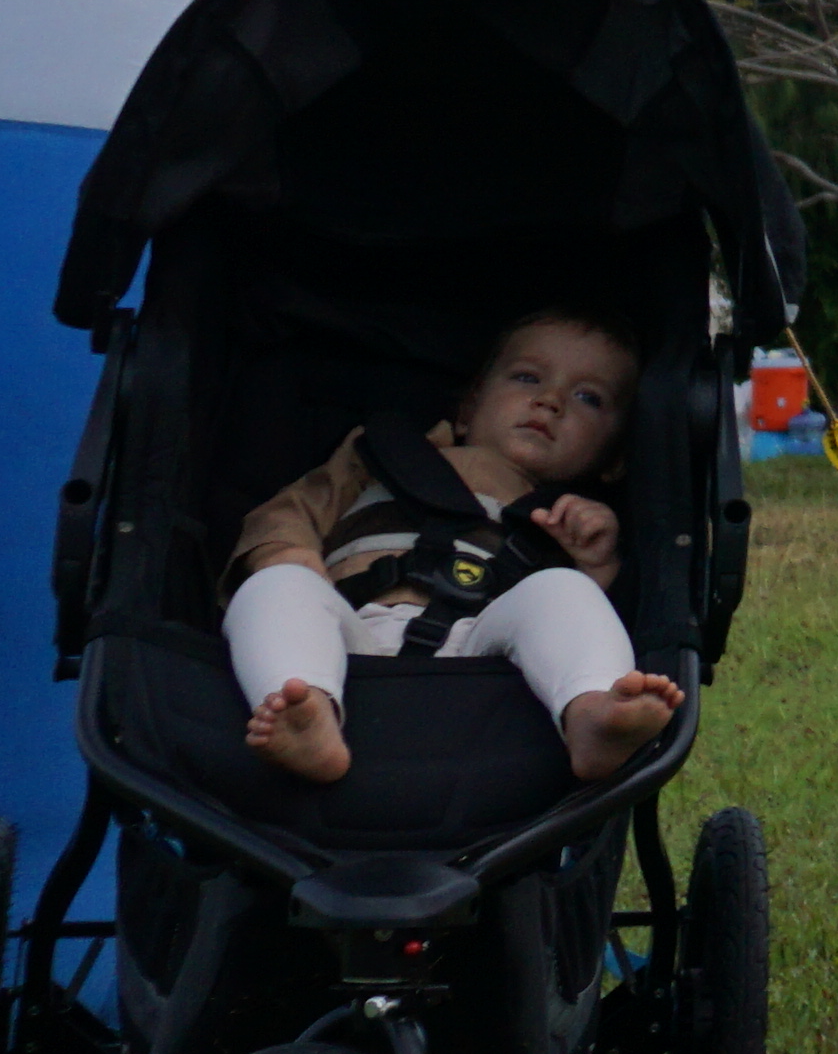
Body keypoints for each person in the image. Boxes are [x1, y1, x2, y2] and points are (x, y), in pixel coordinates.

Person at [229, 307, 684, 786]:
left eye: (588, 397)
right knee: (277, 583)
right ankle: (306, 708)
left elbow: (579, 627)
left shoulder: (571, 519)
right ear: (468, 409)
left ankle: (589, 709)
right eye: (527, 377)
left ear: (615, 458)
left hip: (485, 655)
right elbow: (286, 513)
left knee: (566, 591)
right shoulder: (380, 455)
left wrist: (598, 564)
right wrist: (291, 557)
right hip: (346, 630)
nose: (550, 401)